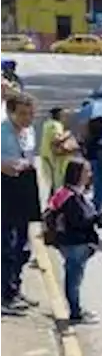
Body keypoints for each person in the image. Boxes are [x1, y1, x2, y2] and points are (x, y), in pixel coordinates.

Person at [0, 90, 40, 317]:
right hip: (4, 185)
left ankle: (14, 288)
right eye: (23, 114)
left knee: (23, 244)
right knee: (6, 243)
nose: (27, 119)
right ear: (10, 112)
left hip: (24, 183)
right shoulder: (1, 130)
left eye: (31, 114)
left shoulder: (29, 131)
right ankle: (4, 294)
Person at [45, 158, 99, 322]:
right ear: (77, 174)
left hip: (67, 242)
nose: (90, 175)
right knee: (74, 279)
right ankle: (76, 312)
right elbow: (78, 221)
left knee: (73, 276)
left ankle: (76, 308)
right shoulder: (71, 198)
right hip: (75, 243)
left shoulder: (65, 192)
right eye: (86, 171)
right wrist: (96, 218)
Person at [38, 107, 75, 196]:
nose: (65, 117)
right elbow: (57, 140)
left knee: (52, 184)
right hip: (53, 158)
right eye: (63, 115)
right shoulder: (55, 125)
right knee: (57, 184)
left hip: (47, 155)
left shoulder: (47, 123)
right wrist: (68, 133)